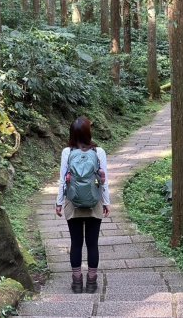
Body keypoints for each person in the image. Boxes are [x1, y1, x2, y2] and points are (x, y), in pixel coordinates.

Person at [55, 116, 110, 294]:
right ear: (88, 132)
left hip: (73, 202)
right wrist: (106, 202)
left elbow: (63, 180)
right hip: (94, 201)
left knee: (76, 243)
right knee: (92, 243)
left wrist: (59, 202)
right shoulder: (99, 151)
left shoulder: (67, 152)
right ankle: (92, 283)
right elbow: (104, 180)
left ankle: (77, 283)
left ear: (72, 133)